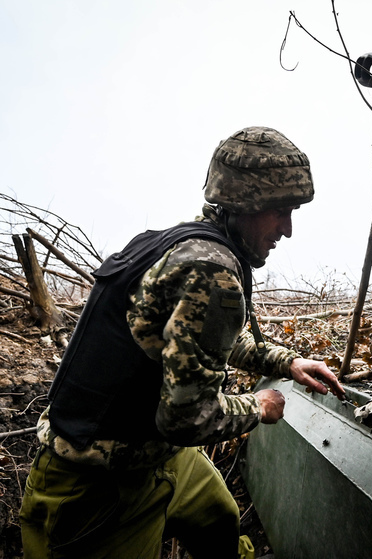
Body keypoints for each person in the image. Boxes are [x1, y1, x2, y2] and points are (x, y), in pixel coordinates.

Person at [19, 126, 346, 559]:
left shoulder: (183, 244)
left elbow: (195, 340)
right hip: (93, 487)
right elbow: (188, 419)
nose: (287, 229)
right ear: (244, 204)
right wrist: (260, 406)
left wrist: (287, 362)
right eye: (280, 211)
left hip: (157, 455)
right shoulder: (210, 271)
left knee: (220, 523)